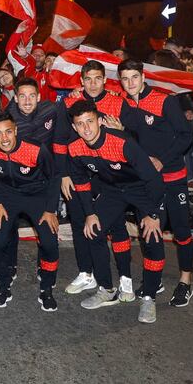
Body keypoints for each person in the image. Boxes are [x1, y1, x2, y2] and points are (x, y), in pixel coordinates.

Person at [67, 100, 166, 324]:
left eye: (90, 121)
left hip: (142, 189)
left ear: (100, 121)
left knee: (152, 238)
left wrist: (152, 214)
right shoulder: (75, 148)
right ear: (74, 127)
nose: (86, 128)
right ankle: (106, 289)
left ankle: (149, 297)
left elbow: (153, 179)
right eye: (80, 124)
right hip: (112, 191)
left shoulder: (121, 142)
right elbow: (81, 182)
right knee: (93, 230)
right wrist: (90, 213)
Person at [52, 60, 136, 296]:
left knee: (117, 226)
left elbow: (135, 137)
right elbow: (59, 141)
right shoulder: (69, 103)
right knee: (80, 224)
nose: (93, 84)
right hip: (76, 174)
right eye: (88, 79)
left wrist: (122, 132)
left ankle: (125, 278)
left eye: (98, 78)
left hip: (110, 176)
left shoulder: (118, 102)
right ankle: (86, 273)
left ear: (105, 80)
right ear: (81, 80)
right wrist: (63, 174)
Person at [118, 59, 193, 307]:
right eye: (125, 78)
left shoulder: (164, 101)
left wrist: (162, 160)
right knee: (149, 232)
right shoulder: (125, 105)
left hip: (173, 177)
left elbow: (185, 136)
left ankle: (185, 282)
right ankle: (154, 278)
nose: (130, 83)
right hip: (147, 181)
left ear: (143, 77)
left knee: (181, 231)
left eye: (134, 77)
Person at [0, 113, 61, 311]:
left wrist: (50, 210)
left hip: (37, 195)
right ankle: (4, 283)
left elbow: (54, 177)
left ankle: (47, 286)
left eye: (8, 132)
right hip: (6, 197)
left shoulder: (36, 149)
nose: (4, 138)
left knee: (49, 242)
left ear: (16, 130)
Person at [5, 78, 57, 147]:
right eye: (22, 96)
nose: (27, 101)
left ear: (38, 97)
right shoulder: (8, 120)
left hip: (48, 153)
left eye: (32, 96)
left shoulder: (50, 109)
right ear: (16, 98)